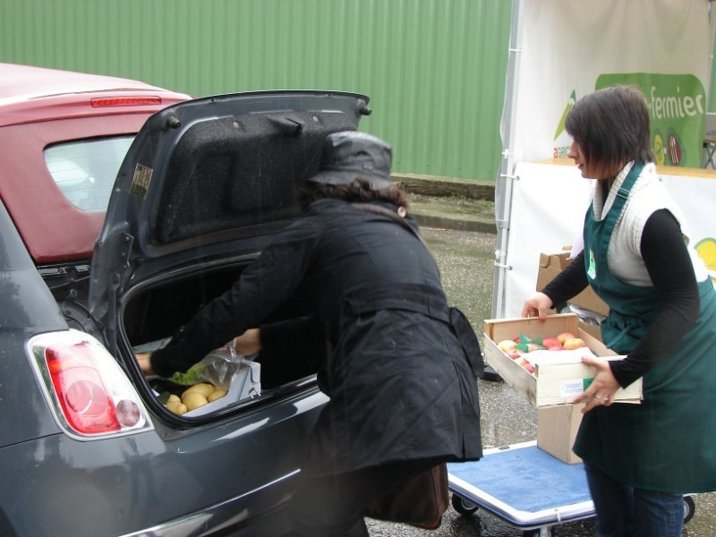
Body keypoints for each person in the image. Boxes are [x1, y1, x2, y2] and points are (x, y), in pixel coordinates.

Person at [136, 130, 483, 536]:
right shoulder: (404, 234)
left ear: (323, 181)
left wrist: (162, 360)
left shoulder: (322, 223)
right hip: (447, 392)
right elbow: (358, 318)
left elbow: (241, 302)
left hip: (386, 396)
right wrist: (261, 339)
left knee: (314, 515)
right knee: (332, 508)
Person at [521, 85, 716, 537]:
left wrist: (626, 370)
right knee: (604, 453)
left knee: (654, 476)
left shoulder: (652, 214)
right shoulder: (607, 191)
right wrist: (550, 295)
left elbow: (683, 304)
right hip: (637, 339)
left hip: (681, 347)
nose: (571, 152)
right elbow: (592, 259)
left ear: (609, 140)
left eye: (579, 141)